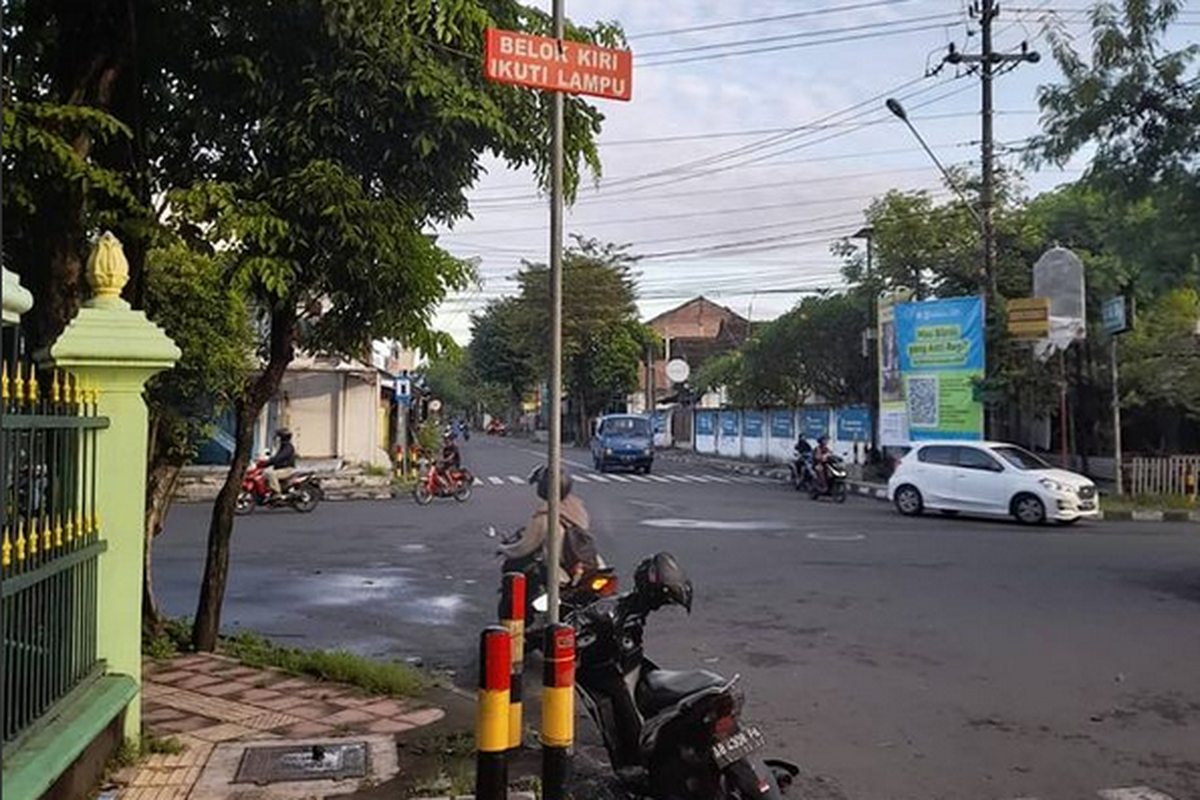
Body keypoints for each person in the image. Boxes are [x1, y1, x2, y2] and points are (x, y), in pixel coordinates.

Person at [499, 465, 600, 587]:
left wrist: (503, 549)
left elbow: (523, 548)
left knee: (521, 578)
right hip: (587, 565)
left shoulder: (545, 517)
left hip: (559, 572)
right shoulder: (578, 509)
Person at [264, 428, 297, 498]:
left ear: (283, 437)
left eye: (279, 436)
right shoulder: (283, 446)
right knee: (264, 474)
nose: (277, 439)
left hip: (287, 469)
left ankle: (277, 493)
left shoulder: (288, 447)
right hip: (281, 468)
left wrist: (270, 461)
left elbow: (280, 457)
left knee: (271, 474)